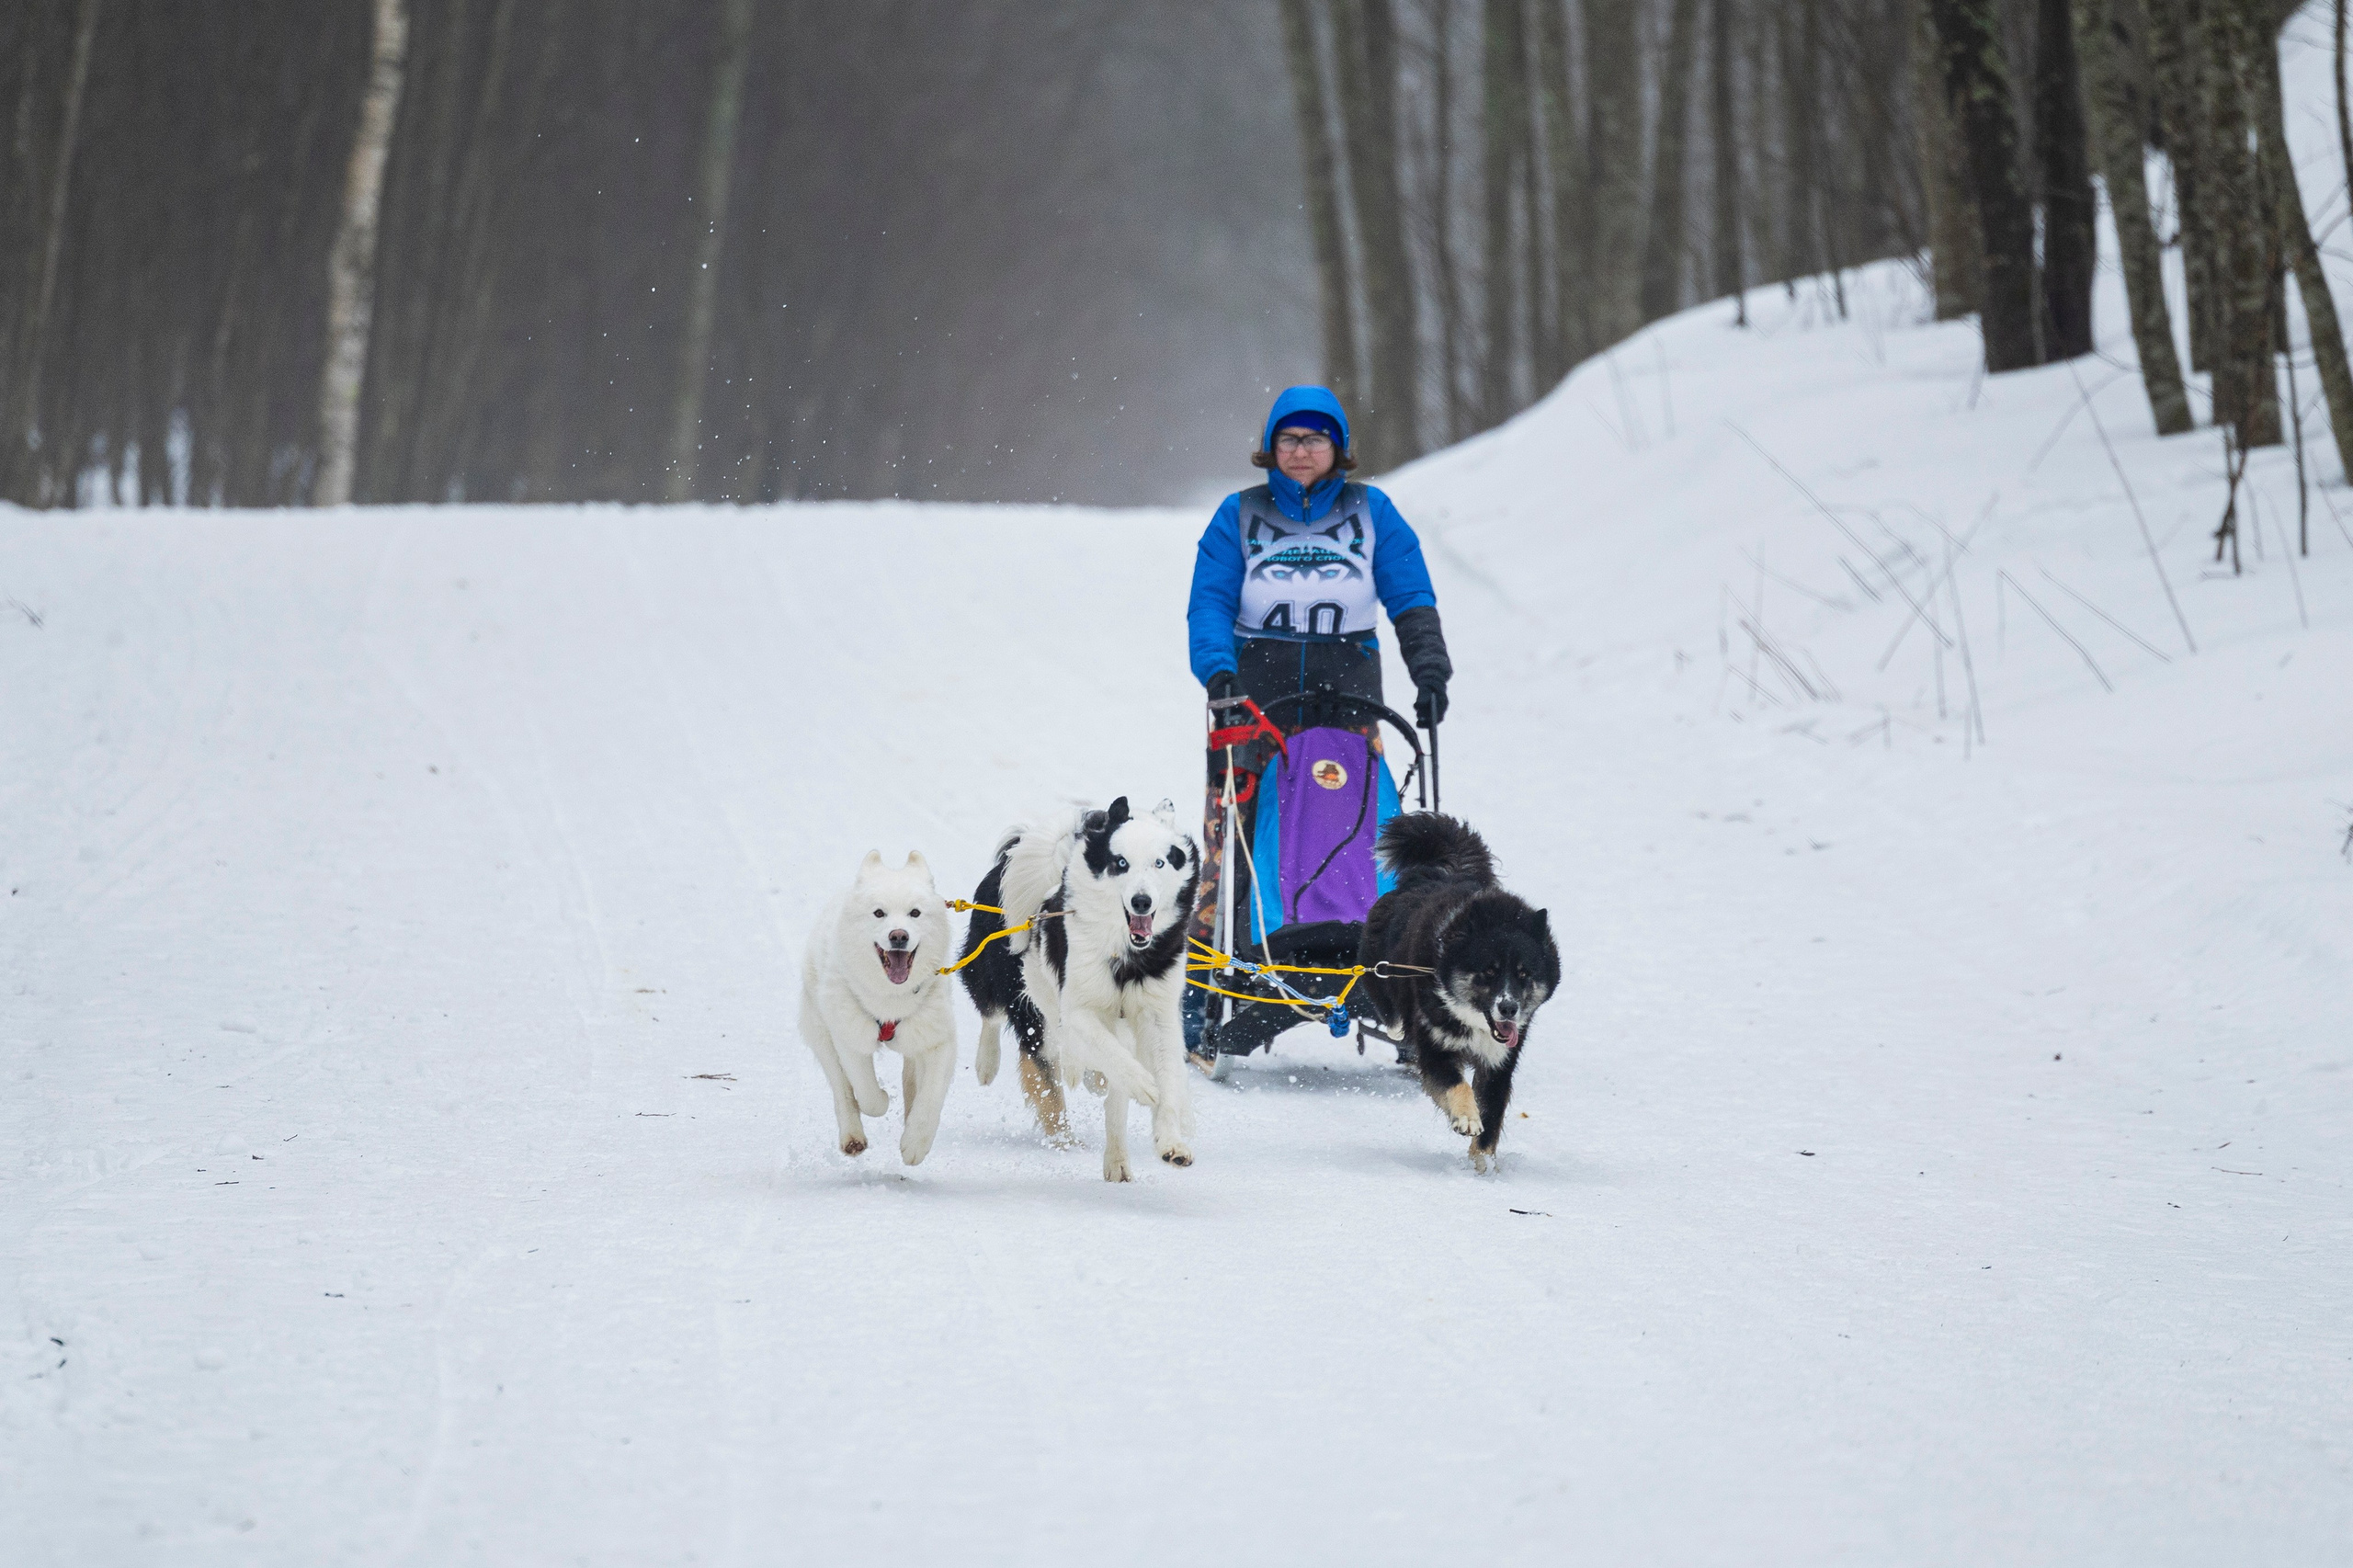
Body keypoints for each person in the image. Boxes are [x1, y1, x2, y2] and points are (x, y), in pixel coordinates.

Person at [1182, 385, 1451, 1055]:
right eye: (1290, 440)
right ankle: (1204, 987)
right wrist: (1218, 670)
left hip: (1349, 685)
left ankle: (1385, 964)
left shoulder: (1372, 510)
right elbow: (1208, 602)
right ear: (1271, 447)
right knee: (1233, 834)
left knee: (1362, 821)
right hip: (1252, 693)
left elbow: (1410, 593)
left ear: (1339, 449)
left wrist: (1429, 667)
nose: (1302, 452)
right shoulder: (1237, 515)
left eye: (1316, 440)